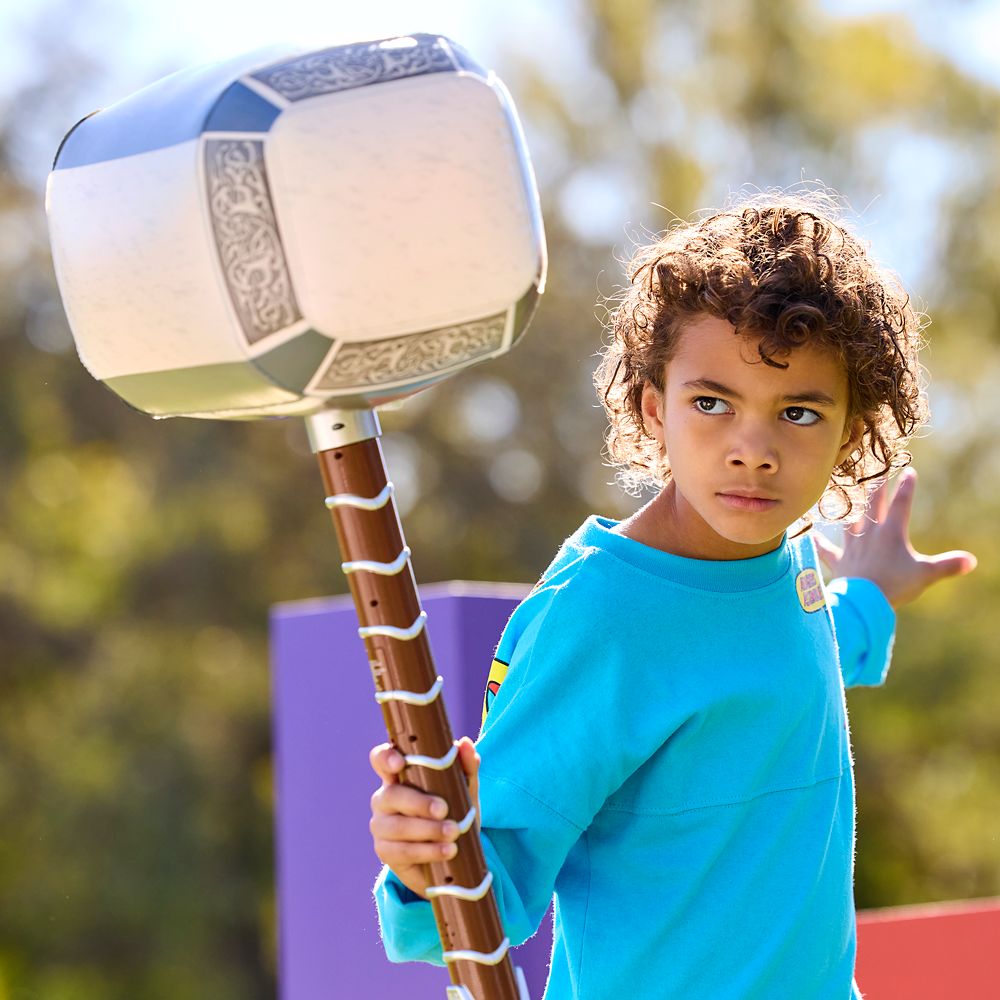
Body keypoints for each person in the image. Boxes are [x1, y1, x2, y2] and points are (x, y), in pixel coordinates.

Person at [366, 192, 977, 998]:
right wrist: (422, 863)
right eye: (712, 403)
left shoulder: (784, 566)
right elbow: (489, 895)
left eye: (797, 412)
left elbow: (790, 670)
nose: (752, 451)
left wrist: (871, 592)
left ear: (852, 434)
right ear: (656, 409)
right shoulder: (597, 618)